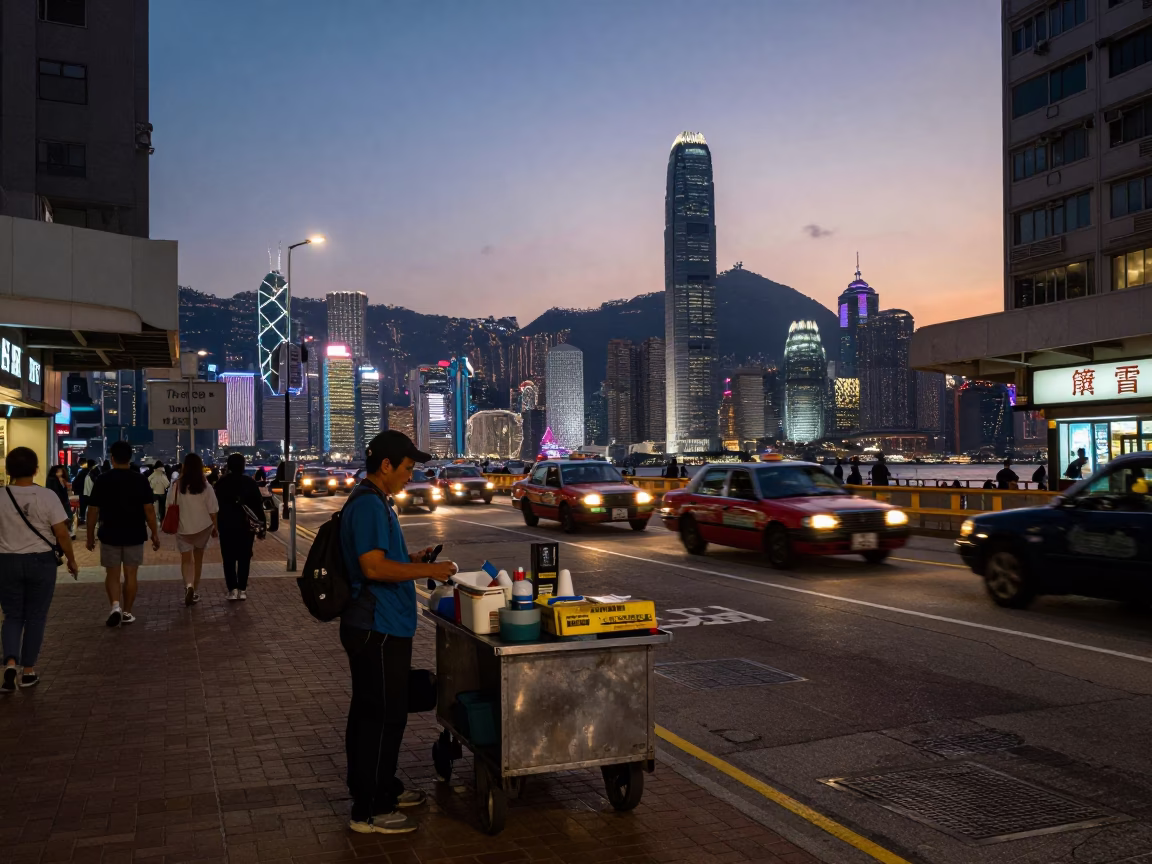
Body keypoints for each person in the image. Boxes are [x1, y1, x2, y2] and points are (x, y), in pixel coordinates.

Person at [340, 431, 458, 835]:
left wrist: (411, 559)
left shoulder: (374, 500)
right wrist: (428, 570)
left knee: (377, 711)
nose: (411, 476)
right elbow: (372, 568)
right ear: (386, 466)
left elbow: (378, 560)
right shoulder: (370, 504)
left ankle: (382, 787)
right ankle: (369, 810)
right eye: (407, 468)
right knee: (381, 717)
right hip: (377, 628)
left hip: (381, 625)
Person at [0, 447, 79, 692]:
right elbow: (61, 533)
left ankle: (10, 662)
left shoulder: (1, 496)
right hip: (41, 562)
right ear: (35, 469)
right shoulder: (47, 497)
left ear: (8, 470)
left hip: (7, 562)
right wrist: (71, 559)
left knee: (12, 615)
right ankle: (28, 671)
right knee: (36, 616)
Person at [86, 440, 161, 627]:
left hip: (109, 532)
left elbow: (92, 511)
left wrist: (89, 536)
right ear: (130, 458)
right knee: (131, 574)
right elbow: (149, 510)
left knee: (111, 574)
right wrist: (154, 533)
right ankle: (127, 612)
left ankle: (115, 607)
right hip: (134, 533)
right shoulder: (140, 480)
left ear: (112, 458)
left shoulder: (102, 479)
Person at [167, 453, 219, 607]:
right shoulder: (205, 486)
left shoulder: (177, 485)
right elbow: (213, 510)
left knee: (186, 560)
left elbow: (169, 504)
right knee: (198, 560)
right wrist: (215, 527)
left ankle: (188, 585)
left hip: (183, 528)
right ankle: (195, 591)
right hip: (203, 528)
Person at [214, 453, 266, 601]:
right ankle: (242, 589)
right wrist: (262, 527)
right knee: (244, 557)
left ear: (228, 465)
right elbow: (258, 506)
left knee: (228, 558)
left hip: (226, 525)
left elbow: (214, 506)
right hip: (245, 526)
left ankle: (232, 590)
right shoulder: (249, 482)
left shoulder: (222, 483)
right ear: (243, 466)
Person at [45, 466, 74, 538]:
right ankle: (65, 532)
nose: (61, 472)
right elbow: (55, 491)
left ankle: (67, 531)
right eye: (59, 471)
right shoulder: (53, 480)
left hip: (64, 501)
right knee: (63, 517)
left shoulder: (62, 479)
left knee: (68, 516)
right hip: (59, 501)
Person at [75, 459, 97, 525]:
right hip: (92, 493)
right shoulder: (95, 472)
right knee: (92, 507)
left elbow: (76, 481)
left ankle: (82, 518)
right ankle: (91, 520)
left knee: (83, 507)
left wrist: (76, 490)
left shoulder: (82, 472)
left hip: (83, 493)